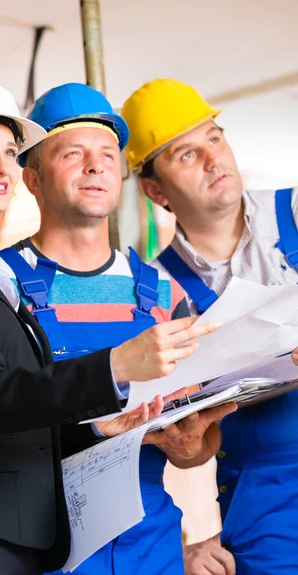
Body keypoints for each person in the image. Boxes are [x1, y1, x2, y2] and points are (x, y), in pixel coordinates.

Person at [0, 77, 217, 575]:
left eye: (8, 149)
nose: (94, 166)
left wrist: (105, 428)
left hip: (112, 542)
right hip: (2, 539)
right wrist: (117, 365)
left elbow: (23, 418)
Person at [0, 82, 237, 575]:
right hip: (42, 555)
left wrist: (192, 447)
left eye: (107, 153)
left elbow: (202, 442)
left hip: (152, 552)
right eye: (72, 153)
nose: (95, 164)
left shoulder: (163, 293)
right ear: (33, 178)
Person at [121, 77, 298, 575]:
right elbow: (189, 448)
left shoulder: (296, 212)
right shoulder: (157, 291)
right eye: (186, 154)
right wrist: (187, 445)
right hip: (267, 502)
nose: (213, 159)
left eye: (214, 138)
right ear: (155, 190)